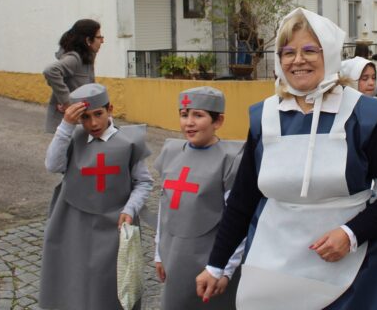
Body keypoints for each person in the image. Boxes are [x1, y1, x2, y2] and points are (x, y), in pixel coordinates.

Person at [196, 8, 377, 309]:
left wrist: (351, 234)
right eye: (288, 52)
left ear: (331, 53)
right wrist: (217, 265)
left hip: (353, 270)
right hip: (274, 269)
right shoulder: (264, 117)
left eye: (310, 50)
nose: (297, 60)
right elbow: (243, 199)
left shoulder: (365, 115)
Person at [39, 83, 152, 310]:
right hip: (73, 221)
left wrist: (129, 209)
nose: (93, 123)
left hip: (114, 224)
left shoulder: (129, 141)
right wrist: (66, 126)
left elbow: (143, 182)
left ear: (110, 108)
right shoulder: (73, 138)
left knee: (109, 282)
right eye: (85, 117)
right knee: (75, 278)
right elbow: (53, 165)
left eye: (98, 114)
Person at [154, 87, 244, 310]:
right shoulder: (171, 152)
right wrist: (159, 252)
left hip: (211, 261)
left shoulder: (230, 159)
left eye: (198, 115)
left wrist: (226, 269)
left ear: (218, 121)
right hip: (174, 257)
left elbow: (239, 220)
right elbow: (164, 208)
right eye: (184, 115)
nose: (189, 123)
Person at [43, 19, 103, 133]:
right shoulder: (75, 58)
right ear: (88, 40)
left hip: (82, 123)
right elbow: (51, 71)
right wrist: (67, 103)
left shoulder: (87, 59)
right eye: (99, 37)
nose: (102, 41)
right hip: (70, 127)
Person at [235, 1, 257, 65]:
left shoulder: (252, 16)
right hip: (242, 40)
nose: (245, 7)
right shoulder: (238, 16)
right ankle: (240, 74)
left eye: (246, 5)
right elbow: (235, 29)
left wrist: (251, 29)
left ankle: (247, 74)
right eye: (243, 5)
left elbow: (255, 28)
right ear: (241, 6)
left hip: (250, 40)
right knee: (241, 58)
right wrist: (239, 27)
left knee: (248, 59)